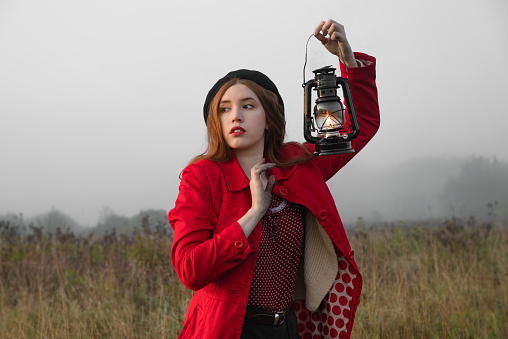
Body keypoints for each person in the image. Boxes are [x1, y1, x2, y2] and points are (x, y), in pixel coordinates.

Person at [168, 19, 380, 339]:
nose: (235, 115)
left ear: (270, 116)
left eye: (247, 105)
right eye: (224, 109)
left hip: (288, 327)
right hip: (227, 328)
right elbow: (190, 269)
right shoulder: (203, 176)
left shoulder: (298, 163)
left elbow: (359, 125)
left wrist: (348, 60)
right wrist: (254, 212)